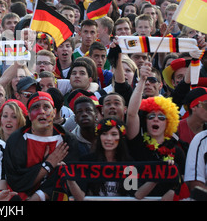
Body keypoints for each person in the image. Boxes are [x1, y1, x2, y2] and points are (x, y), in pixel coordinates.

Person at [4, 91, 80, 201]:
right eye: (36, 107)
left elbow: (69, 180)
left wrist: (40, 195)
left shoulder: (67, 140)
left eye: (46, 107)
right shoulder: (16, 140)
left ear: (54, 112)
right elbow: (16, 182)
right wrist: (47, 165)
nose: (41, 111)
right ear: (29, 115)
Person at [126, 61, 185, 200]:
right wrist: (141, 81)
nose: (156, 119)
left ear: (169, 122)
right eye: (151, 116)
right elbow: (131, 114)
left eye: (162, 117)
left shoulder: (177, 152)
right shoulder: (137, 145)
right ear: (145, 121)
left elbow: (181, 187)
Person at [66, 117, 134, 200]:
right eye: (104, 133)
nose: (108, 138)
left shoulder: (128, 163)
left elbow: (137, 194)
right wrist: (69, 179)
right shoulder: (87, 161)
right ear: (99, 137)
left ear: (120, 137)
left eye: (114, 134)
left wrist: (154, 178)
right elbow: (80, 197)